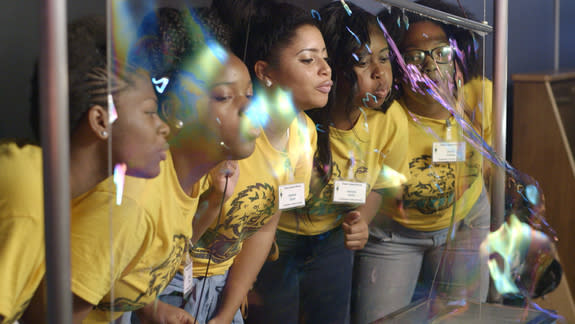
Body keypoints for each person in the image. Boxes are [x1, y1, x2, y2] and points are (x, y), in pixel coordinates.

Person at [47, 8, 258, 324]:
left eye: (249, 95)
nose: (250, 108)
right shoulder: (130, 202)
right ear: (175, 111)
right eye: (225, 96)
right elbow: (57, 312)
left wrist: (154, 308)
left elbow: (153, 257)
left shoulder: (199, 178)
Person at [133, 3, 326, 323]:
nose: (324, 69)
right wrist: (148, 306)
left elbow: (263, 226)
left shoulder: (299, 136)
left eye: (247, 95)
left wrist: (227, 310)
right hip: (160, 287)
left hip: (214, 283)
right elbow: (123, 268)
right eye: (223, 97)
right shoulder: (171, 164)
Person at [0, 16, 171, 324]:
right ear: (101, 121)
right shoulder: (31, 198)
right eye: (149, 112)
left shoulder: (44, 188)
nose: (164, 127)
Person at [250, 3, 409, 324]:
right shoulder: (302, 122)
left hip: (333, 243)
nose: (379, 73)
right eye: (362, 62)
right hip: (275, 240)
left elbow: (381, 182)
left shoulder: (390, 121)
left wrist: (361, 219)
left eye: (385, 58)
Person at [351, 1, 492, 322]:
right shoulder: (386, 120)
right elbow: (370, 187)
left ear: (457, 60)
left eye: (441, 53)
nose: (430, 66)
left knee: (466, 319)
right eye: (415, 57)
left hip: (464, 224)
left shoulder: (481, 100)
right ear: (400, 68)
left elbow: (490, 164)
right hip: (394, 235)